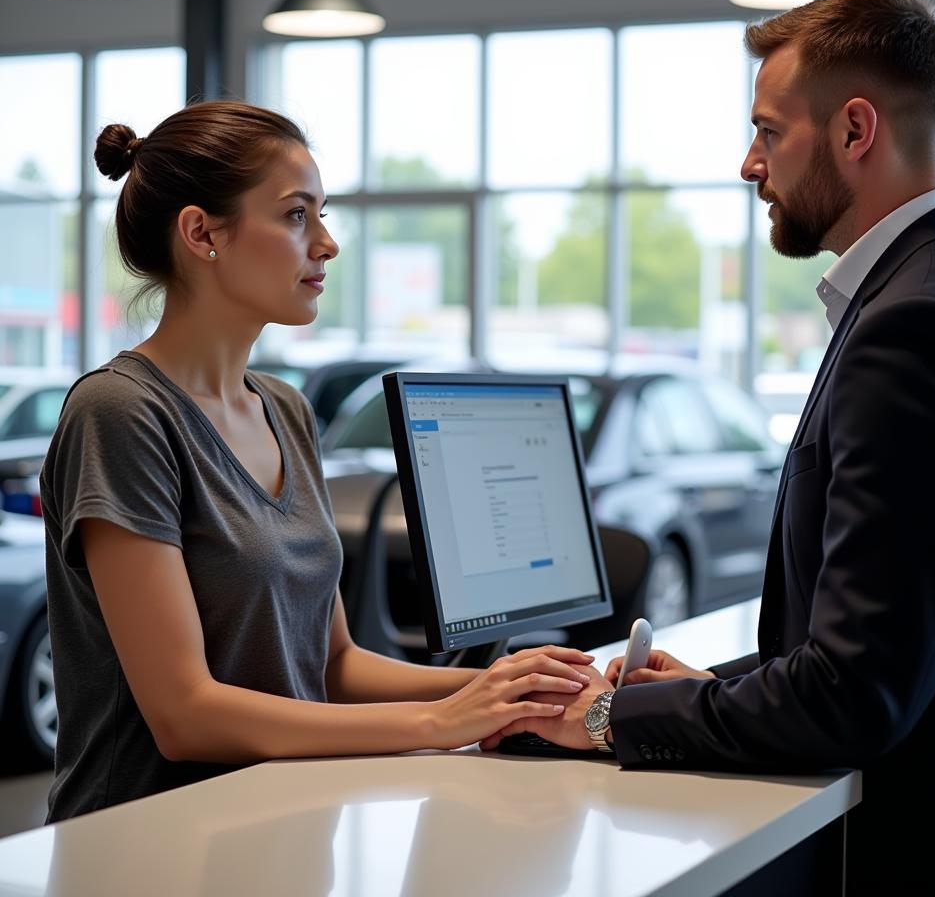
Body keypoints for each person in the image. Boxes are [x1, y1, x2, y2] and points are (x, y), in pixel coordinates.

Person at [485, 0, 935, 895]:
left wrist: (612, 718)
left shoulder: (918, 324)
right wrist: (689, 696)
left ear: (856, 131)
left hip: (924, 849)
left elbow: (859, 695)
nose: (748, 163)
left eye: (770, 132)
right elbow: (886, 639)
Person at [40, 100, 593, 823]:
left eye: (321, 215)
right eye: (298, 215)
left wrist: (499, 688)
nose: (327, 243)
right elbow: (186, 715)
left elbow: (331, 665)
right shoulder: (121, 413)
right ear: (201, 232)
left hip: (282, 821)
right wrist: (439, 723)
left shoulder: (284, 409)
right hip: (145, 841)